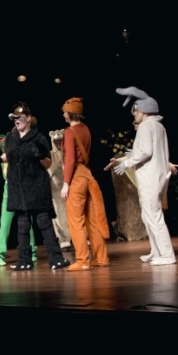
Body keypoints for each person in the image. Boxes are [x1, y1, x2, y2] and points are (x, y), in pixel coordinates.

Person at [108, 87, 176, 266]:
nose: (134, 114)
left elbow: (146, 151)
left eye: (136, 110)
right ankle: (156, 251)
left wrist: (127, 163)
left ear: (144, 110)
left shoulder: (146, 126)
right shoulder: (158, 126)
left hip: (150, 176)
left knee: (153, 216)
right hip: (156, 175)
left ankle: (167, 254)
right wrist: (130, 156)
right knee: (148, 216)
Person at [1, 101, 71, 271]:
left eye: (19, 117)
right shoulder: (10, 138)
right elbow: (8, 156)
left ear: (28, 118)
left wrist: (39, 154)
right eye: (14, 118)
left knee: (44, 221)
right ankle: (25, 260)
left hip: (36, 188)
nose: (16, 121)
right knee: (22, 224)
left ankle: (56, 258)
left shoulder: (39, 138)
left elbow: (48, 163)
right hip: (18, 189)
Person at [59, 97, 110, 271]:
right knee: (92, 219)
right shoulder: (86, 129)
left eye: (65, 112)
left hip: (76, 176)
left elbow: (71, 160)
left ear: (71, 113)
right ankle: (101, 257)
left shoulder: (69, 132)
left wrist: (66, 183)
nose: (63, 114)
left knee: (76, 220)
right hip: (88, 174)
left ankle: (82, 260)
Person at [0, 132, 38, 266]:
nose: (3, 145)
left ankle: (32, 251)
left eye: (5, 142)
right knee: (5, 223)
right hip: (9, 191)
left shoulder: (20, 154)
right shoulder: (2, 160)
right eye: (1, 143)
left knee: (27, 222)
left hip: (22, 190)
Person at [46, 129, 73, 252]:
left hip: (71, 186)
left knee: (73, 212)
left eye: (60, 141)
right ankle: (63, 240)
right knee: (58, 214)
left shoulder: (69, 152)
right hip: (56, 189)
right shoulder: (50, 154)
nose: (58, 143)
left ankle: (77, 237)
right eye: (56, 141)